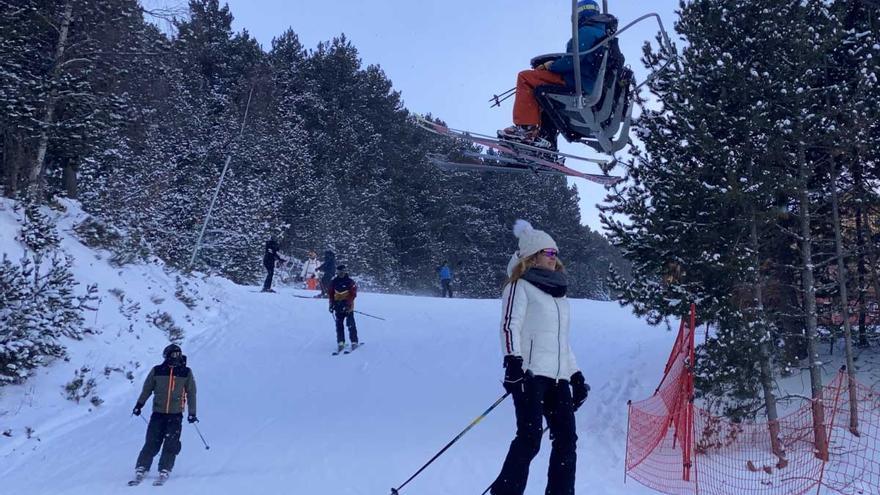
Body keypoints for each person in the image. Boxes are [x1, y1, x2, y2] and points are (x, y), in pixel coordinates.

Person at [490, 220, 590, 495]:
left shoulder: (559, 294)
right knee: (530, 438)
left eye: (556, 253)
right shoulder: (519, 286)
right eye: (549, 253)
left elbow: (560, 342)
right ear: (533, 255)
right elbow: (510, 325)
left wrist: (576, 375)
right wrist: (513, 363)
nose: (554, 257)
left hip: (558, 378)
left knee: (567, 441)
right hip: (531, 376)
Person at [497, 0, 608, 148]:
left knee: (526, 78)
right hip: (588, 81)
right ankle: (547, 139)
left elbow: (572, 60)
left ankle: (526, 129)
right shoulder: (602, 33)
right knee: (544, 94)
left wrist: (550, 66)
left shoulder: (586, 32)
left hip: (577, 82)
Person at [130, 344, 198, 486]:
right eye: (173, 355)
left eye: (178, 354)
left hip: (175, 415)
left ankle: (165, 469)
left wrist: (192, 413)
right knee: (152, 441)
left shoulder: (185, 372)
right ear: (166, 356)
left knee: (171, 443)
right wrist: (139, 405)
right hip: (158, 414)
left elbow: (191, 392)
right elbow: (147, 389)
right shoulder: (157, 371)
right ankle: (142, 467)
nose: (176, 357)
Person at [328, 264, 358, 353]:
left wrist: (347, 304)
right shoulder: (334, 281)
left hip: (348, 307)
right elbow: (330, 294)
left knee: (350, 324)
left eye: (343, 272)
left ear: (345, 272)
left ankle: (354, 341)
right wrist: (331, 305)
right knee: (339, 325)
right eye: (339, 272)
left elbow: (353, 294)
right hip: (338, 306)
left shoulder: (350, 281)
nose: (341, 273)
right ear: (337, 272)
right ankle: (341, 342)